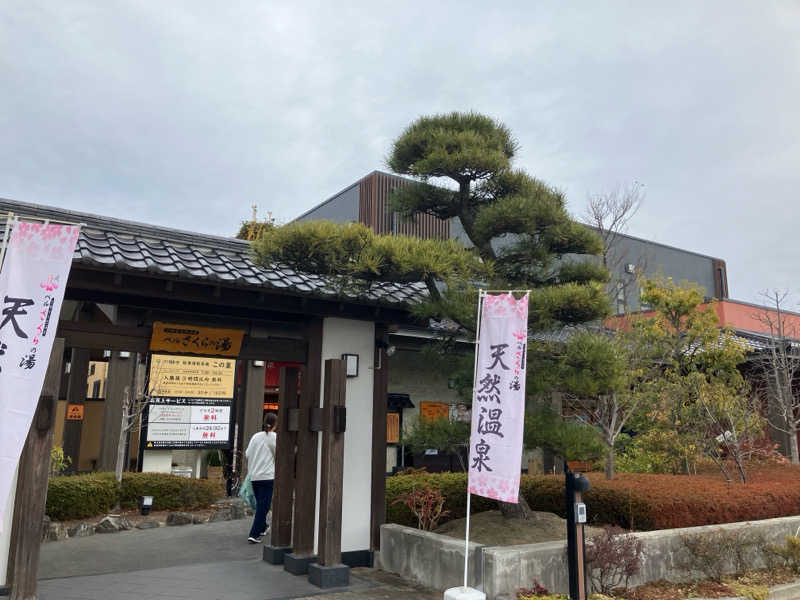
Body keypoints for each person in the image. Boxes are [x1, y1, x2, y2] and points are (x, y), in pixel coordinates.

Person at [245, 412, 277, 543]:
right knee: (263, 507)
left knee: (261, 504)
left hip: (254, 477)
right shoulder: (274, 437)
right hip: (267, 476)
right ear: (275, 424)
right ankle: (254, 534)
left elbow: (247, 454)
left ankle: (263, 527)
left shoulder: (255, 437)